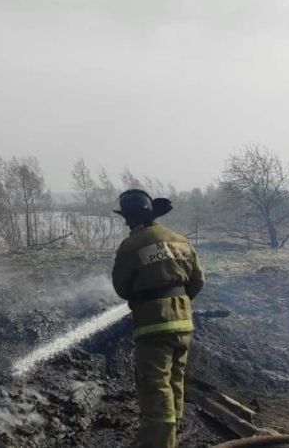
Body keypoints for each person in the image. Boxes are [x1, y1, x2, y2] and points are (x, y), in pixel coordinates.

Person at [111, 189, 205, 448]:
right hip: (184, 324)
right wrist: (178, 303)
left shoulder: (131, 245)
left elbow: (121, 287)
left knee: (155, 388)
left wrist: (152, 302)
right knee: (175, 382)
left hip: (154, 327)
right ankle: (170, 437)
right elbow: (198, 280)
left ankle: (159, 443)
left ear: (129, 217)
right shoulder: (179, 240)